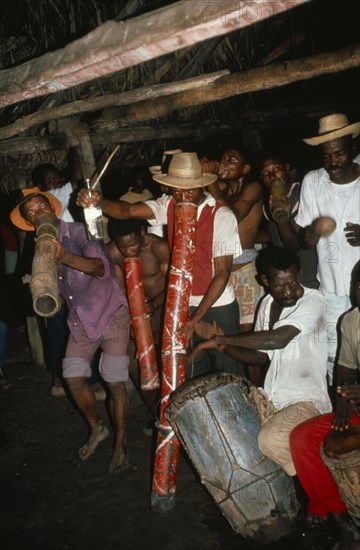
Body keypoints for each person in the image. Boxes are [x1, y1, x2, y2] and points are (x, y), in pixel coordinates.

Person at [77, 152, 243, 379]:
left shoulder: (221, 215)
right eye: (177, 190)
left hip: (217, 305)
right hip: (183, 305)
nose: (183, 196)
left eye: (190, 190)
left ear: (202, 186)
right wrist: (99, 202)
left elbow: (222, 274)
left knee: (227, 373)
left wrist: (195, 319)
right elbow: (127, 211)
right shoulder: (169, 204)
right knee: (192, 375)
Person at [10, 187, 130, 474]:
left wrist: (64, 258)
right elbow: (57, 292)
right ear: (29, 223)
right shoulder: (39, 247)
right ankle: (97, 427)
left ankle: (121, 442)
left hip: (111, 312)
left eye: (41, 207)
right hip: (81, 318)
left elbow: (100, 268)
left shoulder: (78, 230)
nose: (38, 214)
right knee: (72, 377)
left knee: (114, 383)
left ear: (52, 209)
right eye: (31, 213)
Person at [193, 247, 332, 476]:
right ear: (264, 280)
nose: (288, 292)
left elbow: (277, 339)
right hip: (275, 397)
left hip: (307, 400)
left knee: (270, 439)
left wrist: (222, 337)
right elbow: (258, 357)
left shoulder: (313, 300)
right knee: (230, 434)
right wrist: (222, 346)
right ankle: (308, 479)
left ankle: (319, 483)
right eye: (279, 285)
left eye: (293, 282)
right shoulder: (267, 304)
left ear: (300, 273)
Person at [269, 114, 360, 385]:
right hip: (331, 292)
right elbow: (304, 243)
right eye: (326, 156)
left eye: (339, 153)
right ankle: (346, 419)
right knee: (335, 361)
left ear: (353, 149)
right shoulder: (313, 182)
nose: (333, 162)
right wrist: (312, 232)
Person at [290, 260, 360, 549]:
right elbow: (344, 368)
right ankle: (339, 515)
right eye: (359, 287)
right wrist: (343, 399)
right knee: (302, 438)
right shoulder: (352, 320)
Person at [107, 217, 170, 423]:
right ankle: (155, 413)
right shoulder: (114, 253)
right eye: (122, 246)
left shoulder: (158, 247)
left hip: (162, 309)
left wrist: (152, 305)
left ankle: (171, 410)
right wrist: (132, 321)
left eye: (132, 244)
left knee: (165, 362)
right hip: (134, 313)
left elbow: (174, 286)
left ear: (142, 233)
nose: (128, 251)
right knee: (135, 366)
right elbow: (118, 292)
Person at [203, 148, 264, 332]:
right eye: (223, 158)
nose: (225, 163)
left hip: (244, 269)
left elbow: (232, 216)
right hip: (221, 268)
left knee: (246, 330)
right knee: (222, 328)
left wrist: (209, 178)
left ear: (245, 169)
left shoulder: (253, 188)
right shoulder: (224, 188)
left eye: (232, 160)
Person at [259, 154, 318, 289]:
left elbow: (294, 246)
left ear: (287, 170)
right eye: (265, 173)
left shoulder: (300, 195)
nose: (272, 175)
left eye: (276, 169)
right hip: (285, 279)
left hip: (307, 278)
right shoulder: (268, 203)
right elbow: (272, 235)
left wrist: (280, 213)